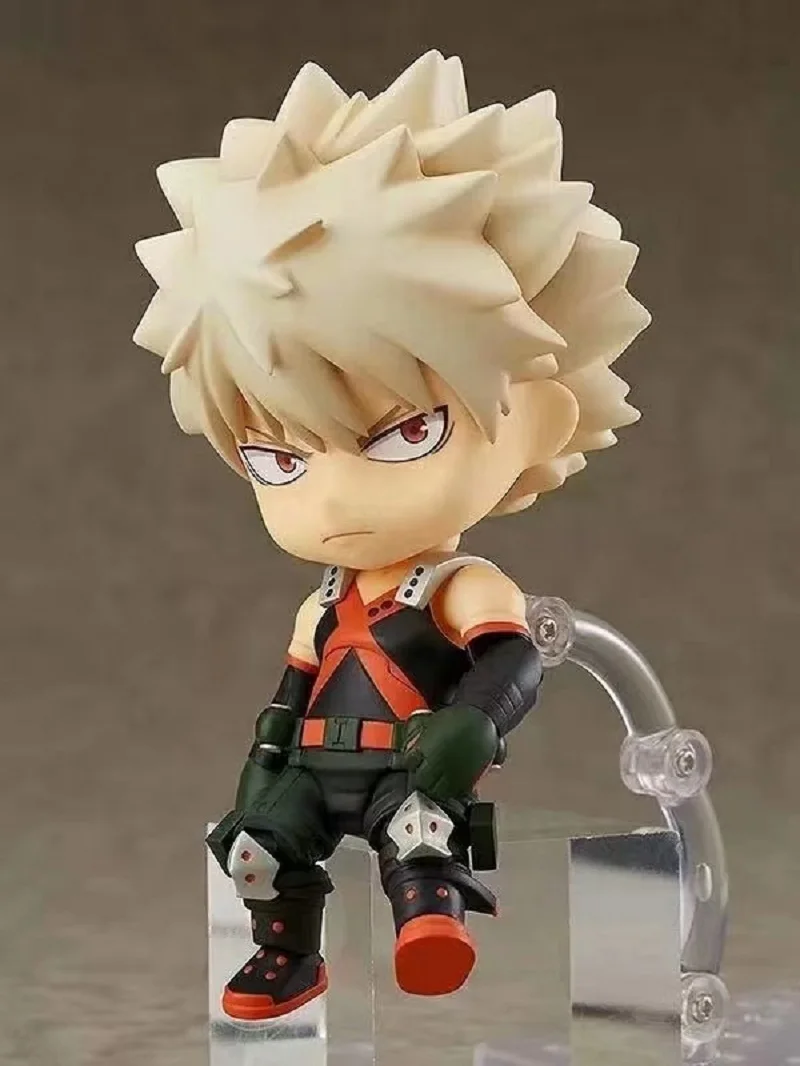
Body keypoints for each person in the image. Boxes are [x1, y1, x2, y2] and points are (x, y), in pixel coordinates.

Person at [132, 50, 650, 1022]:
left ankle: (429, 919)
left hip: (409, 765)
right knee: (254, 850)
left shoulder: (459, 585)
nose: (333, 495)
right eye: (277, 457)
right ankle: (287, 957)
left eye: (405, 434)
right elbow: (289, 692)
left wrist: (474, 721)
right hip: (314, 765)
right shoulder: (322, 602)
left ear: (534, 418)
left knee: (419, 835)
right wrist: (265, 765)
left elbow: (510, 659)